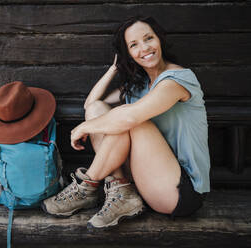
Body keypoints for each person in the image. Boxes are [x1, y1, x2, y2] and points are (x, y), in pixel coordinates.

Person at [41, 16, 210, 229]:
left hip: (180, 192)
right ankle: (122, 192)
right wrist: (115, 67)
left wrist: (83, 128)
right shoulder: (138, 85)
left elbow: (130, 117)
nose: (145, 48)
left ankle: (88, 184)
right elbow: (91, 105)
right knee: (100, 111)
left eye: (149, 38)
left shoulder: (177, 79)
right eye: (134, 45)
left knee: (129, 119)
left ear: (159, 39)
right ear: (128, 53)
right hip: (144, 180)